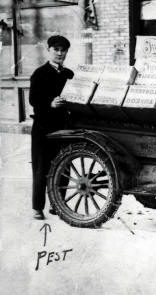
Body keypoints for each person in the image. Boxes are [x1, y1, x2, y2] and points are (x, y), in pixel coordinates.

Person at [29, 35, 74, 220]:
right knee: (41, 168)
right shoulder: (39, 73)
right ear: (49, 50)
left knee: (64, 167)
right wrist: (50, 103)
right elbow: (33, 100)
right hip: (43, 128)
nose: (60, 53)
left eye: (63, 50)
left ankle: (57, 205)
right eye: (56, 49)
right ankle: (37, 208)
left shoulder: (69, 74)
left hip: (63, 127)